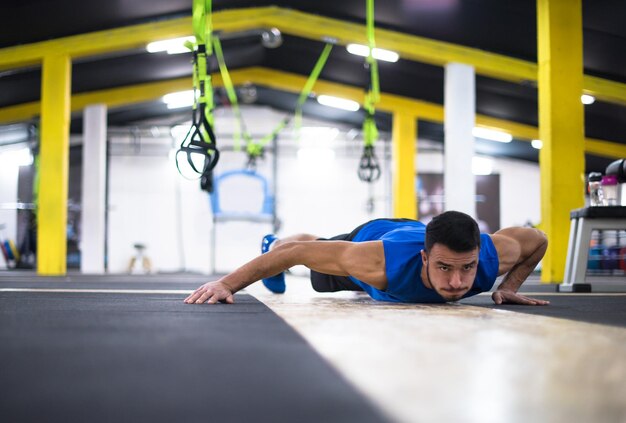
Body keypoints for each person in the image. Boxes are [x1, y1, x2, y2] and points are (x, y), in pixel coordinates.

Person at [184, 211, 549, 306]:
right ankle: (271, 240)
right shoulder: (371, 262)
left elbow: (539, 239)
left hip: (414, 229)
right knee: (315, 246)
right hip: (375, 235)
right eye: (443, 268)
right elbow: (297, 255)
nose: (457, 283)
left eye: (466, 268)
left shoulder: (492, 256)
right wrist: (226, 284)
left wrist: (511, 285)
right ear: (424, 258)